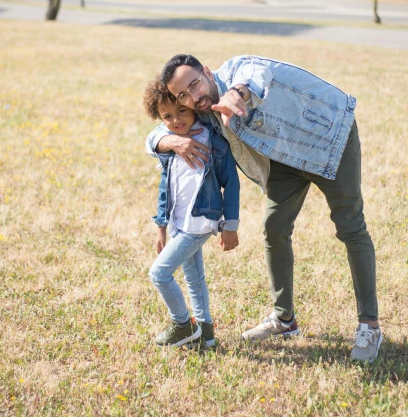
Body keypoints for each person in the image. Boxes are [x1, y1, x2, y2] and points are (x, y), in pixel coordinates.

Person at [146, 54, 382, 362]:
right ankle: (284, 320)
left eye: (194, 85)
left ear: (206, 71)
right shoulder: (200, 110)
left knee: (351, 227)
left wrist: (238, 93)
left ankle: (369, 326)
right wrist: (171, 143)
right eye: (183, 96)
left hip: (329, 141)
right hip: (286, 160)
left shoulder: (236, 71)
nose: (193, 98)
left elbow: (257, 74)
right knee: (274, 229)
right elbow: (156, 134)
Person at [142, 77, 240, 348]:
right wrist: (161, 227)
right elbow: (165, 189)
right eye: (168, 116)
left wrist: (230, 225)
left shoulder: (212, 141)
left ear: (192, 107)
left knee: (159, 274)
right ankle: (205, 336)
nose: (176, 120)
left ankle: (182, 325)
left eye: (181, 111)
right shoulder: (171, 146)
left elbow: (230, 183)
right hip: (178, 224)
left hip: (200, 222)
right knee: (194, 279)